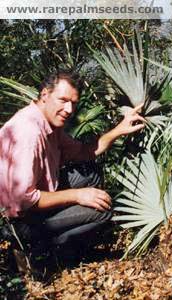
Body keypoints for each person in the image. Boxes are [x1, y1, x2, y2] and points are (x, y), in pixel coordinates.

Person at [0, 70, 145, 260]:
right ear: (45, 95)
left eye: (73, 103)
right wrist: (77, 195)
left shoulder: (48, 123)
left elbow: (84, 152)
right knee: (102, 211)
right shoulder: (29, 133)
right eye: (63, 100)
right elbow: (24, 201)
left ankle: (54, 244)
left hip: (36, 198)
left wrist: (119, 129)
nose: (69, 109)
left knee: (90, 173)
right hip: (17, 222)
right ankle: (45, 253)